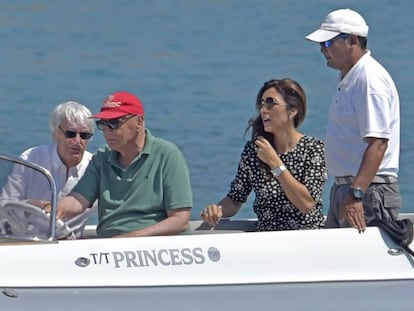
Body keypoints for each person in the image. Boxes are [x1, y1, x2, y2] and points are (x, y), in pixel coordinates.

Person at [46, 91, 193, 238]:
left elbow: (180, 220)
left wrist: (133, 237)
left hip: (152, 247)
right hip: (113, 246)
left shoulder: (167, 155)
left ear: (139, 122)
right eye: (103, 124)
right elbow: (79, 199)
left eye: (114, 123)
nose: (107, 131)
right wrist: (58, 208)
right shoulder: (102, 158)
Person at [305, 8, 401, 233]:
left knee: (366, 266)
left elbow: (378, 143)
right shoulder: (351, 77)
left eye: (328, 43)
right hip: (346, 188)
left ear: (353, 41)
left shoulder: (369, 80)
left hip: (367, 191)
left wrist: (356, 192)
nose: (322, 49)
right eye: (321, 44)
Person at [201, 78, 327, 231]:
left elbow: (306, 204)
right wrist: (217, 210)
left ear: (292, 110)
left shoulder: (313, 148)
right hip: (265, 241)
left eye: (270, 103)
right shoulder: (255, 150)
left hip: (305, 239)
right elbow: (235, 199)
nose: (263, 109)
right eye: (261, 103)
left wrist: (275, 163)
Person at [1, 101, 96, 237]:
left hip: (69, 246)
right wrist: (35, 205)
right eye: (70, 134)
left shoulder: (95, 168)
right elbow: (4, 206)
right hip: (25, 241)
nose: (77, 141)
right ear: (55, 133)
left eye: (84, 135)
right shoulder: (31, 159)